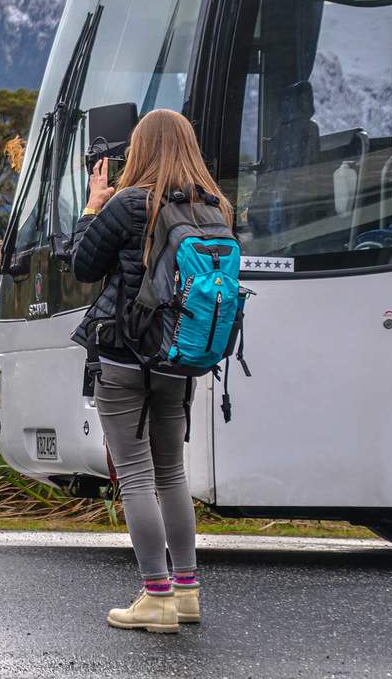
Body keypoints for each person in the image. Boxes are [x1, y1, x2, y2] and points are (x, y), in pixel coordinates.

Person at [69, 108, 231, 633]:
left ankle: (155, 596)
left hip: (123, 355)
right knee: (172, 473)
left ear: (139, 149)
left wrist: (92, 208)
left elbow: (82, 268)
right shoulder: (215, 207)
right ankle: (186, 593)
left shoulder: (128, 203)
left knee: (135, 474)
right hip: (180, 358)